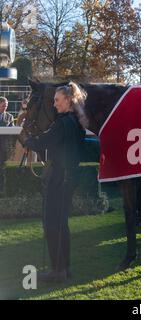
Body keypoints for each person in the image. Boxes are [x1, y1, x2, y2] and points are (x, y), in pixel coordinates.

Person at [24, 82, 87, 283]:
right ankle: (63, 268)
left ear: (68, 100)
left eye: (58, 100)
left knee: (52, 224)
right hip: (68, 178)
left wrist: (28, 141)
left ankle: (57, 270)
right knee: (61, 223)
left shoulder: (62, 123)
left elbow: (44, 142)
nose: (54, 104)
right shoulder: (76, 122)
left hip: (59, 179)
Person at [0, 97, 14, 193]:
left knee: (2, 169)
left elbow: (12, 131)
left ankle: (2, 190)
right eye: (4, 105)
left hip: (3, 148)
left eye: (7, 105)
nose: (5, 107)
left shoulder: (9, 116)